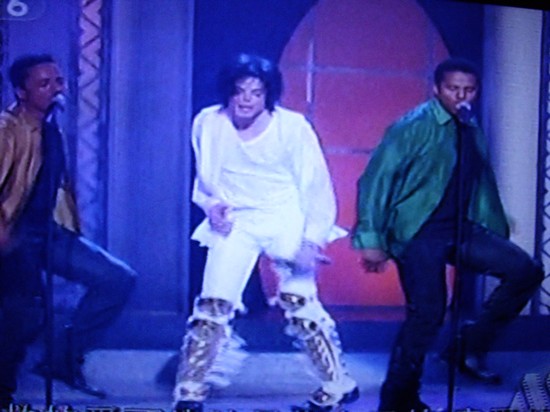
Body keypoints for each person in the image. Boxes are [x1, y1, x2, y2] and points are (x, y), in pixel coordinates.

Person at [352, 57, 544, 412]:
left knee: (525, 270)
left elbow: (476, 179)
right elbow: (375, 180)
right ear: (437, 89)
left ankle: (467, 347)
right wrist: (372, 238)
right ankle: (397, 400)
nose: (461, 96)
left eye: (468, 89)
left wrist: (495, 219)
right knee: (427, 313)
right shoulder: (413, 126)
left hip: (459, 227)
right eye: (453, 89)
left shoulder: (469, 125)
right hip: (418, 230)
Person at [172, 53, 359, 412]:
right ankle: (190, 389)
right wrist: (212, 207)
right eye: (240, 91)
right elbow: (204, 181)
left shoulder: (292, 128)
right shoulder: (208, 122)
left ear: (268, 95)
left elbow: (317, 187)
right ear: (228, 91)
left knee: (299, 303)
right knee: (213, 303)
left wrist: (310, 241)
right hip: (237, 222)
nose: (246, 99)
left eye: (256, 93)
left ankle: (338, 384)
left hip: (285, 217)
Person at [0, 54, 137, 408]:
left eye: (58, 81)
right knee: (26, 314)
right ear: (21, 91)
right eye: (44, 84)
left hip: (46, 232)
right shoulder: (7, 130)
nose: (56, 89)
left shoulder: (51, 128)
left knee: (116, 278)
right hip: (11, 236)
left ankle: (62, 358)